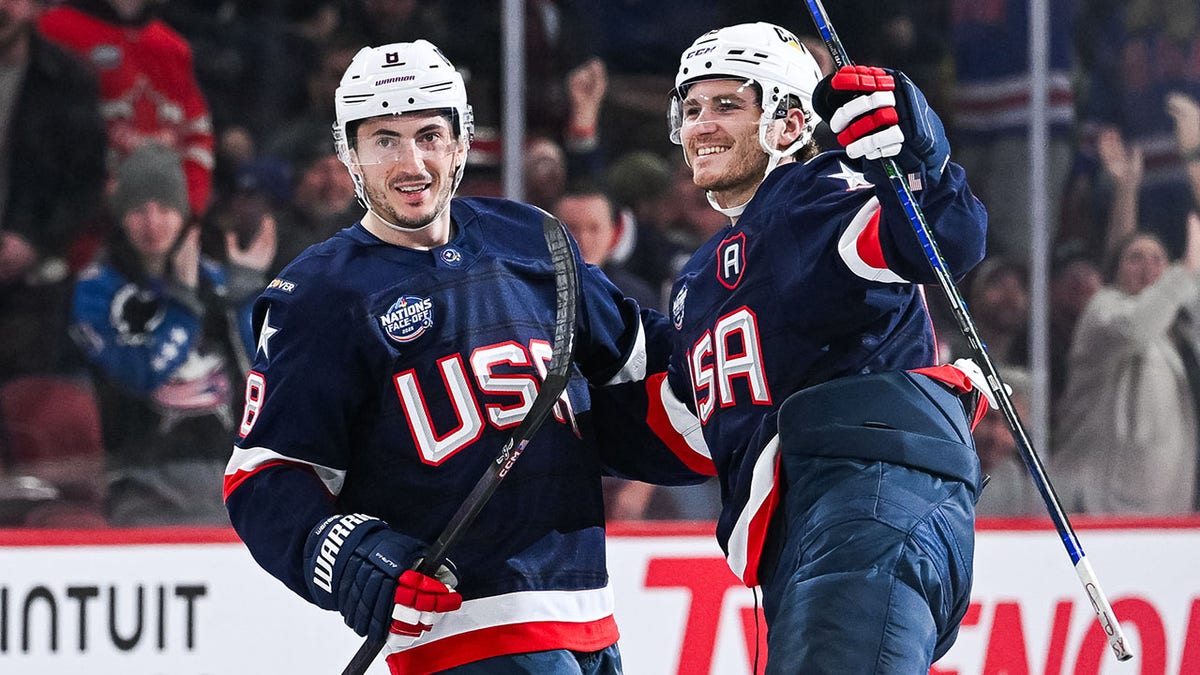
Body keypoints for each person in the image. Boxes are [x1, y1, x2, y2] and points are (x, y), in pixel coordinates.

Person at [222, 40, 712, 674]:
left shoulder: (533, 239)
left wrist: (759, 356)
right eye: (384, 141)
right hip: (460, 633)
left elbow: (643, 366)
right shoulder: (318, 295)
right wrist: (350, 557)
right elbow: (263, 476)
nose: (411, 162)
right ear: (349, 154)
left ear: (462, 140)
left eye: (429, 134)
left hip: (589, 616)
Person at [663, 22, 990, 672]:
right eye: (691, 107)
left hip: (865, 504)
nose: (702, 124)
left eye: (728, 104)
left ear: (787, 123)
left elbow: (939, 241)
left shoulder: (816, 194)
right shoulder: (698, 279)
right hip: (814, 531)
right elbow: (668, 422)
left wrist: (918, 161)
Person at [70, 143, 275, 525]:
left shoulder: (213, 277)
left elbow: (258, 376)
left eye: (164, 209)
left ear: (183, 215)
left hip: (227, 475)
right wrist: (182, 305)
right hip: (142, 480)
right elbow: (139, 375)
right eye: (139, 211)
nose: (153, 223)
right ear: (121, 216)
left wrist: (248, 294)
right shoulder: (96, 289)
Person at [1053, 216, 1200, 514]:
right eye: (1135, 258)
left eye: (1158, 259)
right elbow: (1138, 327)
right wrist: (1183, 273)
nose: (1148, 268)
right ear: (1116, 270)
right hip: (1101, 499)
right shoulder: (1103, 310)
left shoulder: (1180, 332)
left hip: (1170, 502)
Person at [39, 0, 215, 221]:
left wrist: (187, 211)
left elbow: (197, 136)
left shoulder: (172, 47)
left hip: (162, 227)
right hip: (77, 223)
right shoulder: (54, 29)